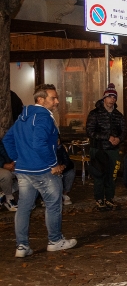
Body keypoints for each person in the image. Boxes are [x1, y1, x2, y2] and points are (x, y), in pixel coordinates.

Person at [2, 84, 77, 257]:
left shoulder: (23, 116)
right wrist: (53, 164)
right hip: (42, 170)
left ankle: (22, 246)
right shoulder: (44, 118)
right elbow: (39, 143)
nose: (57, 101)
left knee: (24, 207)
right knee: (53, 205)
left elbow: (7, 139)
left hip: (24, 169)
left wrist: (17, 159)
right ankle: (55, 241)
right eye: (53, 98)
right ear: (40, 99)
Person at [85, 83, 124, 210]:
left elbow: (124, 131)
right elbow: (90, 132)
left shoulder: (118, 115)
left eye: (114, 97)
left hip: (113, 150)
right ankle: (99, 199)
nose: (112, 99)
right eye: (110, 97)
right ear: (104, 98)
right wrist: (107, 137)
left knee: (112, 176)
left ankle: (109, 198)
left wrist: (119, 139)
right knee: (99, 175)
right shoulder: (95, 114)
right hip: (98, 149)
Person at [1, 139, 18, 211]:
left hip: (7, 164)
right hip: (2, 167)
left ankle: (3, 196)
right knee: (6, 175)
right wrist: (3, 165)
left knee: (26, 173)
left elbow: (4, 151)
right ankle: (9, 198)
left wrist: (13, 162)